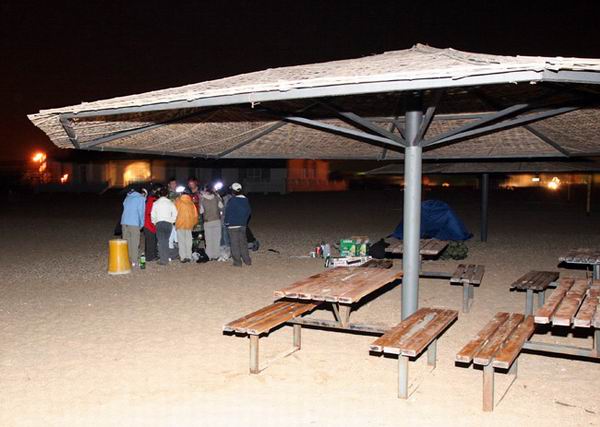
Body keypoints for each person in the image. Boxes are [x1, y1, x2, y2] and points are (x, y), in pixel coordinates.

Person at [224, 182, 252, 267]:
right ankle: (247, 260)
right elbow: (249, 212)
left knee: (234, 244)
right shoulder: (245, 200)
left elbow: (228, 213)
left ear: (233, 191)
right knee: (243, 243)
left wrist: (226, 222)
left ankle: (237, 262)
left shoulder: (232, 200)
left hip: (233, 225)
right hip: (242, 224)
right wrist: (244, 221)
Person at [151, 186, 178, 265]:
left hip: (159, 223)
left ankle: (163, 259)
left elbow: (153, 214)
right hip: (168, 224)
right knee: (166, 241)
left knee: (161, 242)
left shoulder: (155, 203)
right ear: (167, 195)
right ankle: (166, 258)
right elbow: (175, 213)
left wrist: (154, 222)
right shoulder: (170, 203)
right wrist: (172, 221)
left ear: (159, 195)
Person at [120, 186, 146, 266]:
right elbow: (141, 212)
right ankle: (134, 261)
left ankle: (127, 259)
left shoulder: (127, 197)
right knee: (135, 242)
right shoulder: (140, 198)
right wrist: (142, 224)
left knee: (127, 242)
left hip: (124, 222)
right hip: (134, 222)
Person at [174, 191, 198, 263]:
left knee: (181, 241)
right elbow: (195, 215)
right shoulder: (191, 203)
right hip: (189, 224)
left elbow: (174, 212)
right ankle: (189, 256)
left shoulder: (178, 202)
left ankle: (183, 257)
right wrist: (193, 224)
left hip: (180, 224)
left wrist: (174, 221)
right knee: (189, 241)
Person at [200, 187, 224, 260]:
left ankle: (209, 255)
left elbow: (201, 211)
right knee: (217, 239)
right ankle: (216, 255)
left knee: (208, 240)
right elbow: (222, 207)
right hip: (216, 220)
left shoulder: (202, 200)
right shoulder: (216, 198)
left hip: (207, 221)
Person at [143, 185, 159, 262]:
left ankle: (152, 255)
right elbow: (149, 213)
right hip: (149, 223)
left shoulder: (150, 199)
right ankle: (149, 257)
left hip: (149, 223)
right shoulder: (152, 200)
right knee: (150, 240)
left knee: (151, 240)